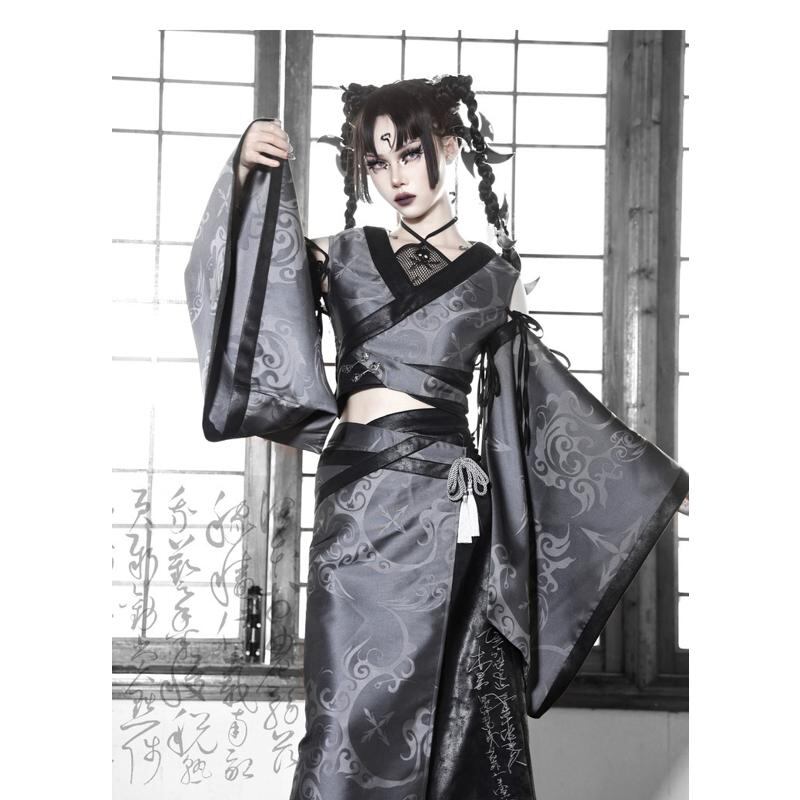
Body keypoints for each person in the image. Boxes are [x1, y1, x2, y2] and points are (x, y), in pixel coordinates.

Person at [184, 74, 689, 800]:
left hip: (448, 508)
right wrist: (242, 177)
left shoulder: (495, 278)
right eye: (377, 160)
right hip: (356, 505)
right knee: (341, 721)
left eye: (409, 153)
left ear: (447, 148)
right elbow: (247, 295)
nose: (394, 176)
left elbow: (541, 401)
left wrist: (651, 482)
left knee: (455, 715)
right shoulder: (340, 254)